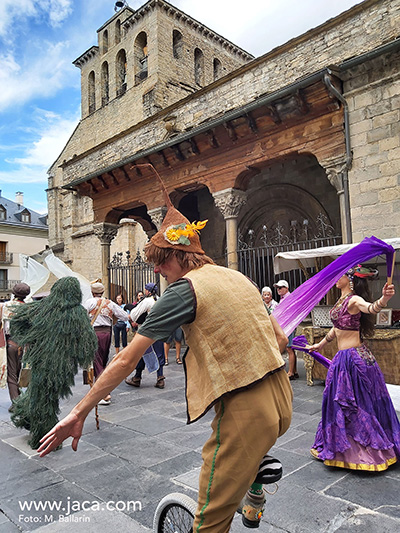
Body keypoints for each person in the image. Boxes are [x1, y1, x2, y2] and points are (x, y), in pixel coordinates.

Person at [38, 202, 292, 531]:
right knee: (248, 455)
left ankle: (247, 478)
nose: (157, 272)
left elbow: (126, 358)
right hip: (282, 401)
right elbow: (281, 340)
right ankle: (255, 487)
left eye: (160, 262)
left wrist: (79, 412)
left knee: (209, 522)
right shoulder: (238, 277)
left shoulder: (183, 290)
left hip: (246, 413)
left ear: (177, 256)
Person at [307, 265, 399, 471]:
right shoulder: (341, 301)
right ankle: (345, 449)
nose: (335, 279)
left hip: (354, 361)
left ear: (349, 279)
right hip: (343, 359)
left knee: (357, 405)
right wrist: (320, 344)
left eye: (339, 275)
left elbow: (372, 307)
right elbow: (336, 328)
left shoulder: (355, 299)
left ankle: (366, 452)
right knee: (342, 404)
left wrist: (384, 299)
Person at [10, 277, 97, 449]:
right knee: (47, 400)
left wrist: (30, 339)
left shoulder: (43, 307)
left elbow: (17, 320)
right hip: (62, 366)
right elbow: (88, 343)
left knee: (39, 395)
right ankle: (44, 436)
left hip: (41, 361)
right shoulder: (78, 313)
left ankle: (28, 418)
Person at [84, 281, 129, 405]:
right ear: (102, 292)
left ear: (92, 292)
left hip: (95, 333)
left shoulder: (89, 302)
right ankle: (102, 388)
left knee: (96, 361)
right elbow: (124, 316)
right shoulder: (110, 303)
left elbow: (81, 316)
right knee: (103, 361)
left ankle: (104, 394)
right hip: (108, 333)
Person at [125, 283, 166, 388]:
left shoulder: (147, 301)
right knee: (159, 353)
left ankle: (137, 378)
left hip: (147, 331)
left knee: (141, 353)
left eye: (146, 290)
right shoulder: (161, 300)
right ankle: (160, 378)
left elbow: (134, 314)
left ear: (148, 291)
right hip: (160, 330)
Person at [0, 283, 30, 412]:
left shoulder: (4, 306)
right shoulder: (29, 308)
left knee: (11, 375)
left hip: (11, 343)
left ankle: (16, 402)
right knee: (23, 372)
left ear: (14, 293)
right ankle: (23, 399)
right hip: (25, 344)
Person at [274, 279, 298, 380]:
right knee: (290, 348)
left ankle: (291, 372)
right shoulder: (283, 298)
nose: (278, 290)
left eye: (280, 288)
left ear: (286, 288)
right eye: (277, 288)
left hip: (289, 326)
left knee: (289, 348)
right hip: (286, 326)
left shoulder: (289, 298)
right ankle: (294, 371)